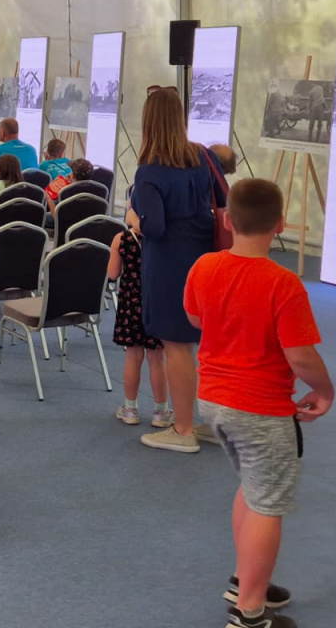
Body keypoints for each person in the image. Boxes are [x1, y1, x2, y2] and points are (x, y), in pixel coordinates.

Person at [188, 179, 333, 628]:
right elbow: (300, 356)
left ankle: (245, 580)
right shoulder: (283, 284)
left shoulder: (205, 265)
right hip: (260, 409)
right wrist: (325, 391)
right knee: (268, 504)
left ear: (227, 220)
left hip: (213, 400)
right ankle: (249, 613)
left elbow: (195, 316)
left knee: (253, 489)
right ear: (280, 224)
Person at [132, 87, 225, 454]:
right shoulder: (204, 156)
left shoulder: (149, 170)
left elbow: (153, 227)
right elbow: (224, 200)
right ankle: (213, 423)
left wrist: (135, 218)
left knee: (177, 346)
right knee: (208, 344)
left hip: (170, 263)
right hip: (207, 257)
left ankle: (183, 428)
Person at [108, 206, 170, 428]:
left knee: (133, 356)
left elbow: (112, 274)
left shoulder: (121, 239)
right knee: (157, 358)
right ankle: (161, 411)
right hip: (158, 302)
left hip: (130, 304)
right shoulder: (165, 239)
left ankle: (130, 408)